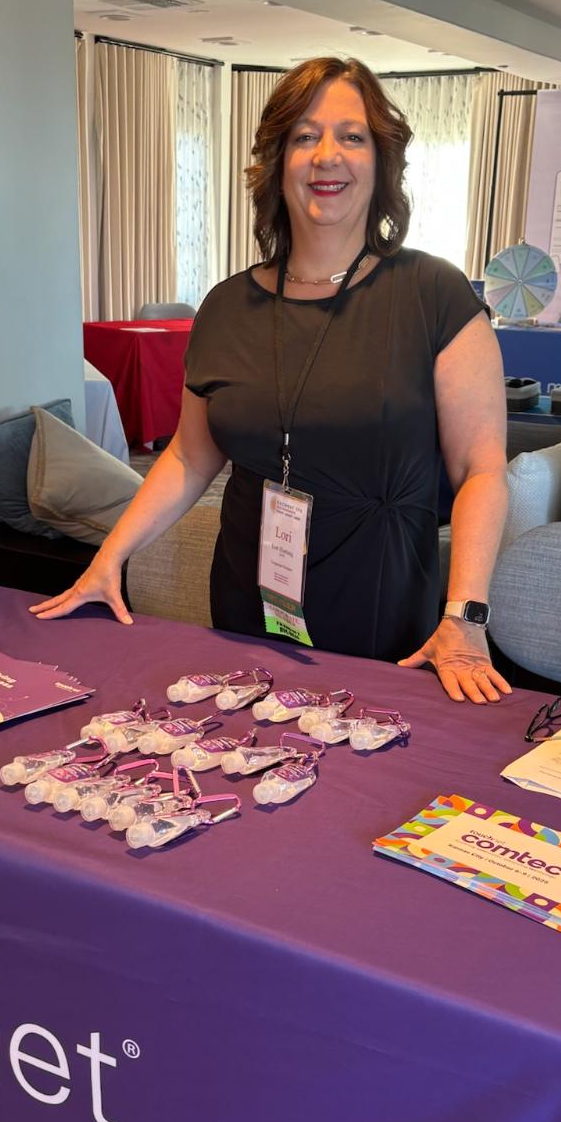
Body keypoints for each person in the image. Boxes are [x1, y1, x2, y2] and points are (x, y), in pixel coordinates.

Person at [33, 57, 510, 704]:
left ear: (381, 161)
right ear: (278, 160)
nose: (327, 155)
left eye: (352, 136)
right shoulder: (227, 306)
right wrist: (108, 557)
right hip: (247, 603)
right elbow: (189, 456)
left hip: (384, 609)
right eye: (305, 136)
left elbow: (481, 469)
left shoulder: (434, 294)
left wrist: (466, 615)